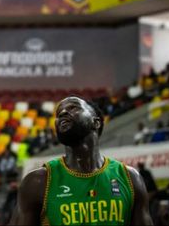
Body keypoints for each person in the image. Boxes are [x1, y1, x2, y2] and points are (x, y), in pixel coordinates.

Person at [12, 96, 153, 225]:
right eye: (58, 113)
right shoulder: (38, 181)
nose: (63, 113)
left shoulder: (130, 178)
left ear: (96, 122)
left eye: (73, 107)